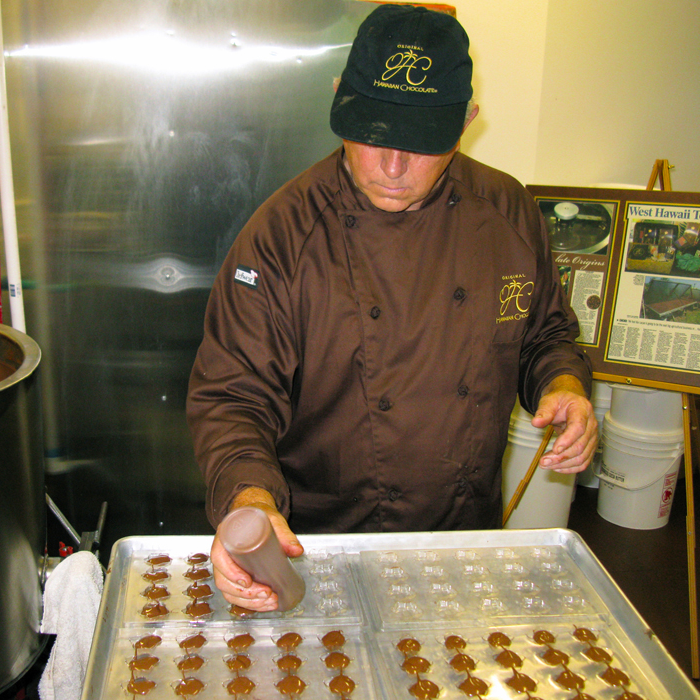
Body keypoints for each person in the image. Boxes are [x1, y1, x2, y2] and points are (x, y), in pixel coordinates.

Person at [187, 3, 597, 612]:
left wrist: (563, 385)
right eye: (374, 135)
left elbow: (547, 333)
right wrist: (250, 501)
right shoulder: (283, 236)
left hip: (464, 539)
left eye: (421, 142)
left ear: (466, 123)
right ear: (339, 98)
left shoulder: (507, 213)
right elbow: (233, 396)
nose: (393, 167)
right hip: (319, 549)